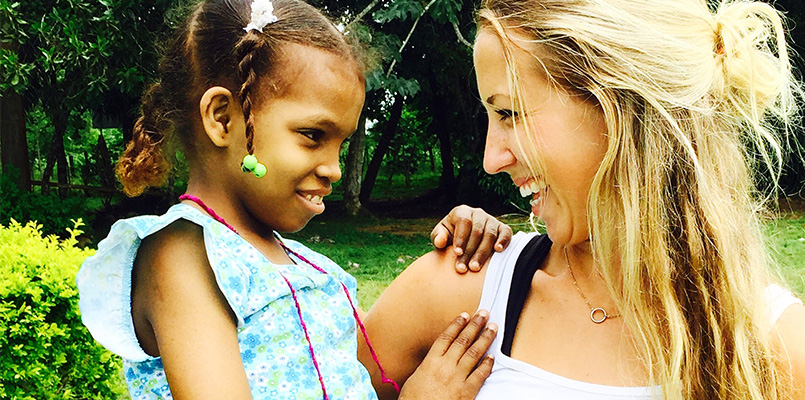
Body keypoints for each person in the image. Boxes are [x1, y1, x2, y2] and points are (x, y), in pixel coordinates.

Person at [361, 0, 805, 399]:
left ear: (621, 111)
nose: (492, 158)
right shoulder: (456, 293)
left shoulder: (791, 358)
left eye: (510, 113)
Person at [75, 0, 511, 398]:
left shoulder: (304, 265)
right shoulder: (182, 258)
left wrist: (467, 235)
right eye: (312, 136)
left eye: (340, 143)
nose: (334, 168)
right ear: (223, 119)